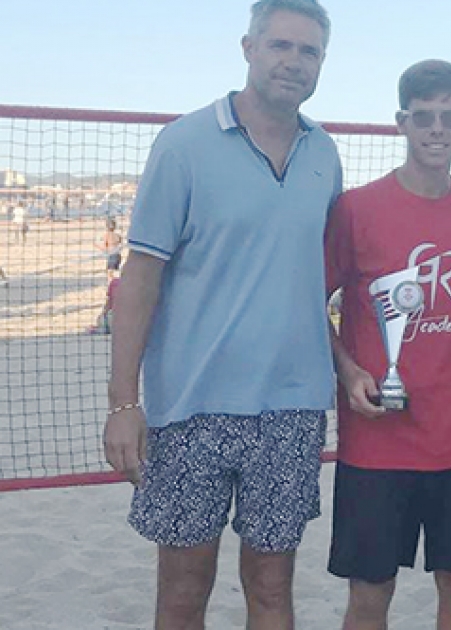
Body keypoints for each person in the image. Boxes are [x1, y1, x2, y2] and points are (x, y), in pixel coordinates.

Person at [102, 1, 341, 628]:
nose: (293, 62)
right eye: (281, 46)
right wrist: (124, 405)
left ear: (322, 62)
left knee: (272, 586)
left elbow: (311, 285)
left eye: (309, 51)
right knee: (184, 588)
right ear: (249, 47)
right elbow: (141, 279)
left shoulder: (325, 154)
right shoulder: (184, 143)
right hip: (192, 407)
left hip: (291, 410)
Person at [324, 59, 451, 630]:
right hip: (375, 445)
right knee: (369, 595)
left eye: (448, 117)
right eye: (424, 117)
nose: (437, 129)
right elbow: (312, 304)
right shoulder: (356, 208)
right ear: (400, 122)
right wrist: (347, 368)